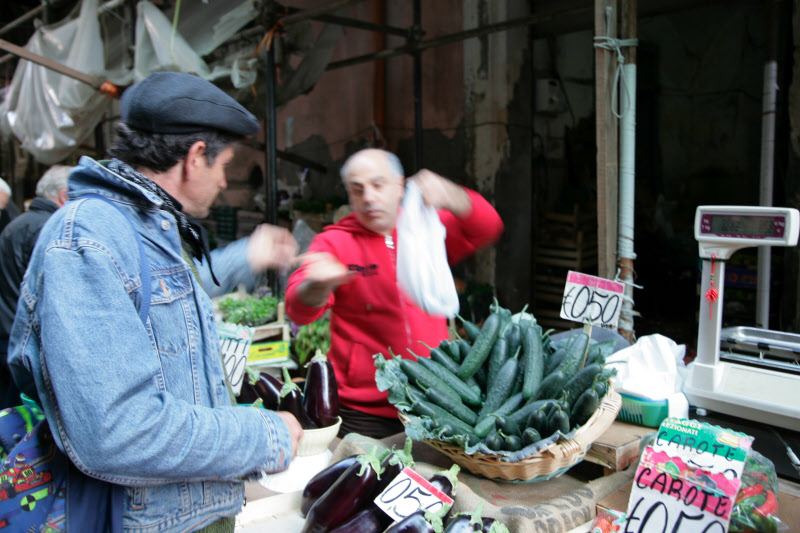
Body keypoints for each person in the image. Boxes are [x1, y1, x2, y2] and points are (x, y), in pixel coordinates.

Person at [8, 71, 303, 533]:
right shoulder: (86, 238)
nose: (225, 183)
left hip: (187, 510)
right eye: (224, 165)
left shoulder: (147, 225)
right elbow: (116, 430)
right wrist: (265, 436)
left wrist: (244, 257)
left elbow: (163, 304)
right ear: (195, 157)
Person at [285, 148, 504, 439]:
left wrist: (453, 194)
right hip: (364, 410)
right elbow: (298, 309)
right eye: (357, 190)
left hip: (433, 398)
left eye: (378, 185)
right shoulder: (334, 242)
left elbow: (487, 227)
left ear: (400, 185)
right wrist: (318, 284)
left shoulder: (424, 229)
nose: (369, 198)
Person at [0, 165, 71, 410]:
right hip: (23, 341)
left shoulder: (21, 223)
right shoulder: (50, 228)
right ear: (64, 196)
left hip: (10, 333)